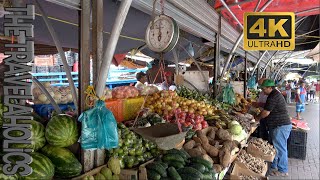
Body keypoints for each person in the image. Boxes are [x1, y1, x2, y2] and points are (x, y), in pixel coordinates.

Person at [255, 79, 292, 177]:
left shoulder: (274, 96)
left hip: (281, 126)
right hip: (277, 126)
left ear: (269, 88)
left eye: (264, 88)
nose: (262, 91)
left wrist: (257, 118)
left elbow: (266, 112)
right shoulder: (273, 94)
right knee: (275, 147)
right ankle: (274, 166)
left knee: (280, 148)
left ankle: (283, 170)